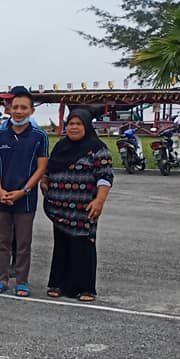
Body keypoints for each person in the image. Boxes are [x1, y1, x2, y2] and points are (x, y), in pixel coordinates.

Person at [41, 109, 113, 302]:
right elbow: (49, 168)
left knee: (83, 247)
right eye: (71, 124)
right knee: (61, 246)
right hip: (59, 207)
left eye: (78, 124)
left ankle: (85, 288)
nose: (73, 127)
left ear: (87, 126)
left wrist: (99, 201)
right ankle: (58, 284)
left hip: (84, 209)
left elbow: (105, 177)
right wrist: (44, 180)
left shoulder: (98, 149)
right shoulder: (61, 146)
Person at [0, 86, 49, 297]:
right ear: (9, 109)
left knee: (23, 243)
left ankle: (22, 280)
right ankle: (2, 278)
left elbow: (41, 168)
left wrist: (23, 191)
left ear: (32, 111)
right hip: (1, 197)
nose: (19, 111)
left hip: (26, 199)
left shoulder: (40, 136)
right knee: (2, 241)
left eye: (24, 107)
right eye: (15, 107)